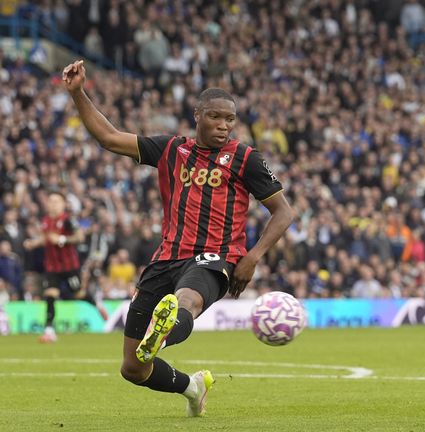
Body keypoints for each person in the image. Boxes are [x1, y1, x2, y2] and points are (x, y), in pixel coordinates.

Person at [62, 60, 295, 417]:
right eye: (215, 117)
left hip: (215, 256)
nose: (223, 125)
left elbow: (283, 212)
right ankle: (192, 387)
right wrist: (78, 92)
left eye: (230, 119)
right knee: (133, 368)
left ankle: (164, 331)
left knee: (186, 301)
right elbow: (109, 138)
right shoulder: (171, 149)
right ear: (197, 115)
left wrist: (252, 257)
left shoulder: (245, 158)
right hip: (166, 258)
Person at [23, 191, 105, 343]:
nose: (53, 204)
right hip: (52, 266)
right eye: (50, 201)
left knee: (78, 293)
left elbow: (80, 237)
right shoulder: (46, 220)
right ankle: (49, 331)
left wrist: (61, 239)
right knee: (50, 294)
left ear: (63, 204)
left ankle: (97, 304)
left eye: (56, 201)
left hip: (69, 266)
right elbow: (46, 239)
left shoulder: (68, 220)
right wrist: (33, 243)